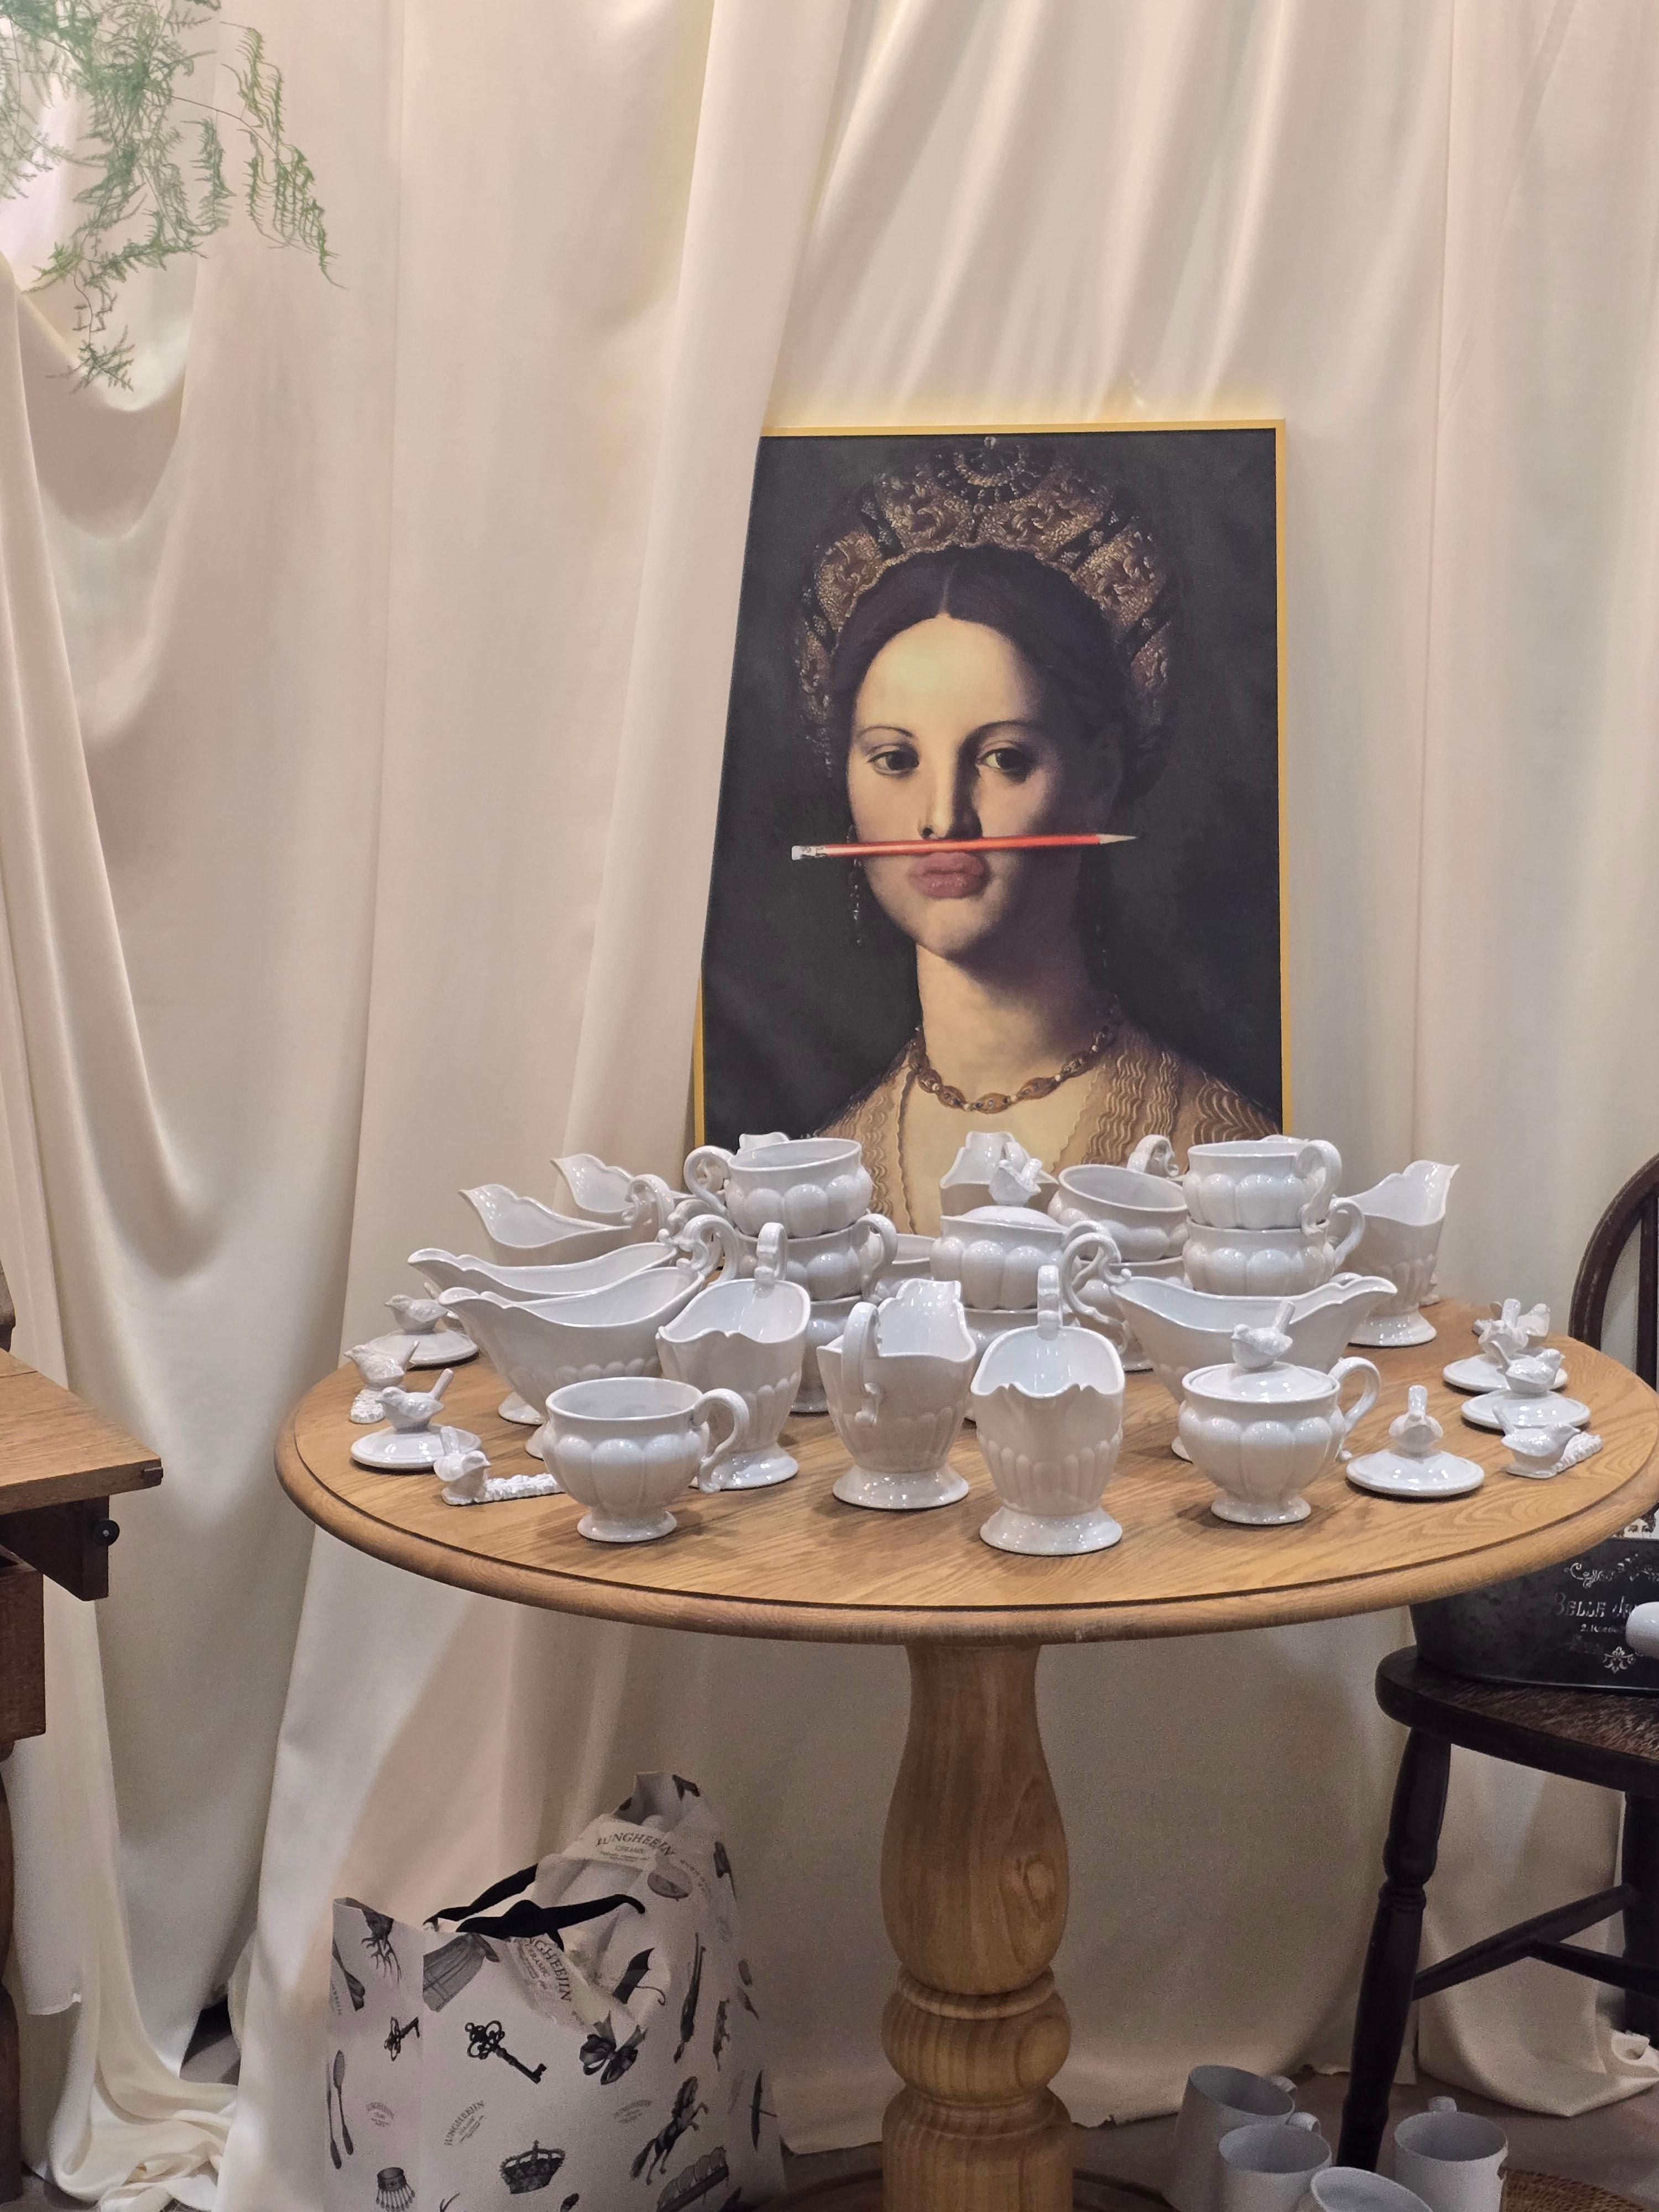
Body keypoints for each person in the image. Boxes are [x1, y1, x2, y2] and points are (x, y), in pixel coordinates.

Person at [800, 441, 1275, 1234]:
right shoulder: (819, 1180)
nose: (943, 819)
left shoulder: (1220, 1157)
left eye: (1005, 759)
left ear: (1097, 779)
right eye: (896, 760)